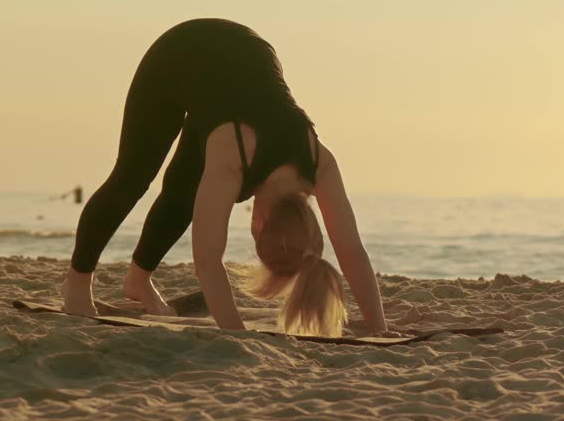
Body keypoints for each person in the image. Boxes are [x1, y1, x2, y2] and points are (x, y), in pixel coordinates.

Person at [63, 19, 389, 338]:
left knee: (183, 192)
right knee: (132, 178)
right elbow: (207, 262)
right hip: (179, 54)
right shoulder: (233, 157)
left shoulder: (320, 163)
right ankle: (77, 284)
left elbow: (351, 252)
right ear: (258, 225)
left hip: (244, 61)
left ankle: (138, 280)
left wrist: (378, 327)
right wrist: (235, 332)